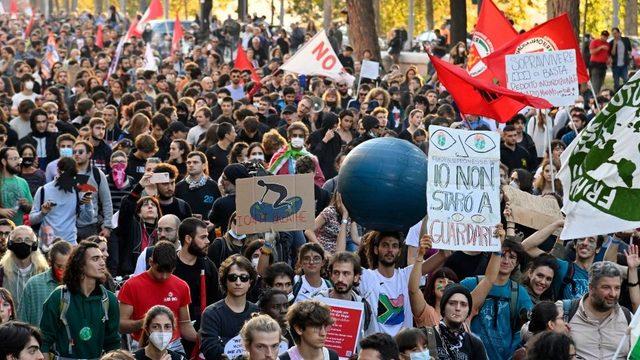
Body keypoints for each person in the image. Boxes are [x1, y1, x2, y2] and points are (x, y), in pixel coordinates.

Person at [39, 241, 120, 359]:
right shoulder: (59, 297)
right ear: (80, 265)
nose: (102, 263)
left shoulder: (109, 300)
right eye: (95, 259)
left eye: (102, 258)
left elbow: (113, 344)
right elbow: (44, 341)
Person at [460, 229, 533, 359]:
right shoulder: (470, 284)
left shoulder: (520, 293)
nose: (506, 261)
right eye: (502, 255)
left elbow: (527, 328)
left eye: (512, 257)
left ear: (517, 263)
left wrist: (512, 354)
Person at [359, 232, 448, 337]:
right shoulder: (366, 276)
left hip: (403, 350)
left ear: (399, 251)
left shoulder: (407, 275)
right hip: (375, 349)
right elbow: (340, 264)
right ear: (375, 249)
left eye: (394, 246)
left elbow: (444, 254)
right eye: (385, 245)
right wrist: (345, 220)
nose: (390, 250)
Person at [118, 241, 196, 354]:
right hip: (142, 346)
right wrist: (145, 322)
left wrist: (202, 339)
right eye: (159, 271)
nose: (163, 276)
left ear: (174, 267)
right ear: (150, 262)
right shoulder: (131, 285)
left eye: (168, 272)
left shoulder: (182, 286)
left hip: (173, 345)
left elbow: (185, 324)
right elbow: (121, 325)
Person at [559, 261, 632, 359]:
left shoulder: (628, 317)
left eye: (617, 288)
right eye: (606, 287)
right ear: (591, 288)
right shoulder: (564, 311)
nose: (613, 294)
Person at [200, 254, 259, 360]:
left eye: (244, 278)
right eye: (233, 277)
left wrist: (224, 342)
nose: (238, 282)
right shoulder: (211, 313)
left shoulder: (257, 312)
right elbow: (211, 350)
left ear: (250, 282)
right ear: (225, 281)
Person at [30, 157, 95, 245]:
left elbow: (87, 219)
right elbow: (32, 220)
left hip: (70, 244)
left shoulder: (78, 191)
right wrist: (43, 213)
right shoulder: (43, 190)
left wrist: (88, 204)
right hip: (48, 245)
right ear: (58, 171)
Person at [174, 217, 221, 331]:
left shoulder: (208, 266)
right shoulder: (171, 265)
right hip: (172, 329)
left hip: (202, 329)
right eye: (203, 237)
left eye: (207, 236)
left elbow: (216, 300)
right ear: (188, 239)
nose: (208, 241)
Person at [312, 251, 371, 334]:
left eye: (346, 273)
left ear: (356, 277)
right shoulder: (317, 302)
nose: (340, 279)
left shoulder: (363, 306)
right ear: (330, 275)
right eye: (336, 273)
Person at [423, 284, 488, 359]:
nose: (458, 308)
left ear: (468, 312)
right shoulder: (425, 335)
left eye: (463, 304)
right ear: (443, 308)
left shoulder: (475, 344)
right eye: (452, 303)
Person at [17, 240, 72, 326]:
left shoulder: (78, 284)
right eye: (59, 266)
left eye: (68, 266)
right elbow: (22, 320)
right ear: (50, 262)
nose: (64, 270)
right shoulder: (34, 284)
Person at [0, 226, 48, 311]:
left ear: (34, 245)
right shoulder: (2, 271)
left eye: (27, 240)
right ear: (10, 244)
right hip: (10, 323)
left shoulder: (44, 272)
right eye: (18, 240)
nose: (23, 243)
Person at [73, 140, 114, 239]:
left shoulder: (97, 174)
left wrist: (107, 226)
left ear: (89, 154)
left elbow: (107, 201)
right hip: (70, 225)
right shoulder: (67, 172)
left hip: (91, 226)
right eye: (74, 152)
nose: (77, 154)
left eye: (80, 152)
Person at [268, 121, 325, 187]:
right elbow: (269, 178)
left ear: (305, 138)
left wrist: (309, 186)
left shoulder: (311, 158)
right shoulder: (279, 156)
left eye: (300, 136)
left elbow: (320, 180)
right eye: (294, 136)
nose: (297, 138)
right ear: (289, 138)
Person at [175, 151, 220, 218]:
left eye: (195, 162)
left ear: (204, 166)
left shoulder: (214, 186)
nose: (191, 165)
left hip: (206, 226)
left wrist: (212, 223)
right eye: (188, 162)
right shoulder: (179, 187)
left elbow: (218, 210)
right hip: (185, 226)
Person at [0, 147, 32, 225]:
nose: (18, 162)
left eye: (18, 159)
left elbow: (31, 208)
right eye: (14, 159)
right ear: (4, 161)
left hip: (18, 233)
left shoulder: (22, 182)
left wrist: (26, 205)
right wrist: (1, 211)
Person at [589, 30, 611, 95]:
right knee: (595, 82)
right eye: (603, 36)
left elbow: (606, 54)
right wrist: (600, 47)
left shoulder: (607, 44)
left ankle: (597, 95)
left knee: (601, 82)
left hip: (603, 65)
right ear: (601, 36)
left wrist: (608, 59)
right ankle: (594, 96)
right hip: (595, 65)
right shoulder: (595, 42)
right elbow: (592, 52)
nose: (604, 38)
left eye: (606, 37)